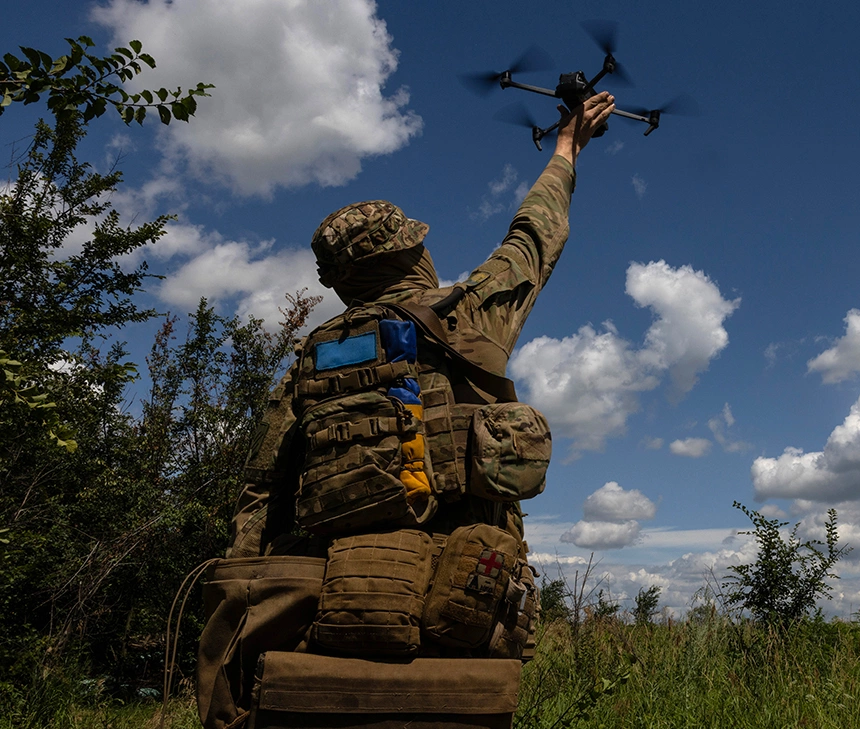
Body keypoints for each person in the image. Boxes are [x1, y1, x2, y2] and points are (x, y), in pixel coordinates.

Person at [195, 92, 615, 729]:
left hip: (339, 606)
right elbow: (534, 237)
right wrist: (567, 148)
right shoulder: (467, 315)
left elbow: (258, 501)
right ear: (406, 253)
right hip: (464, 600)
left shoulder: (309, 360)